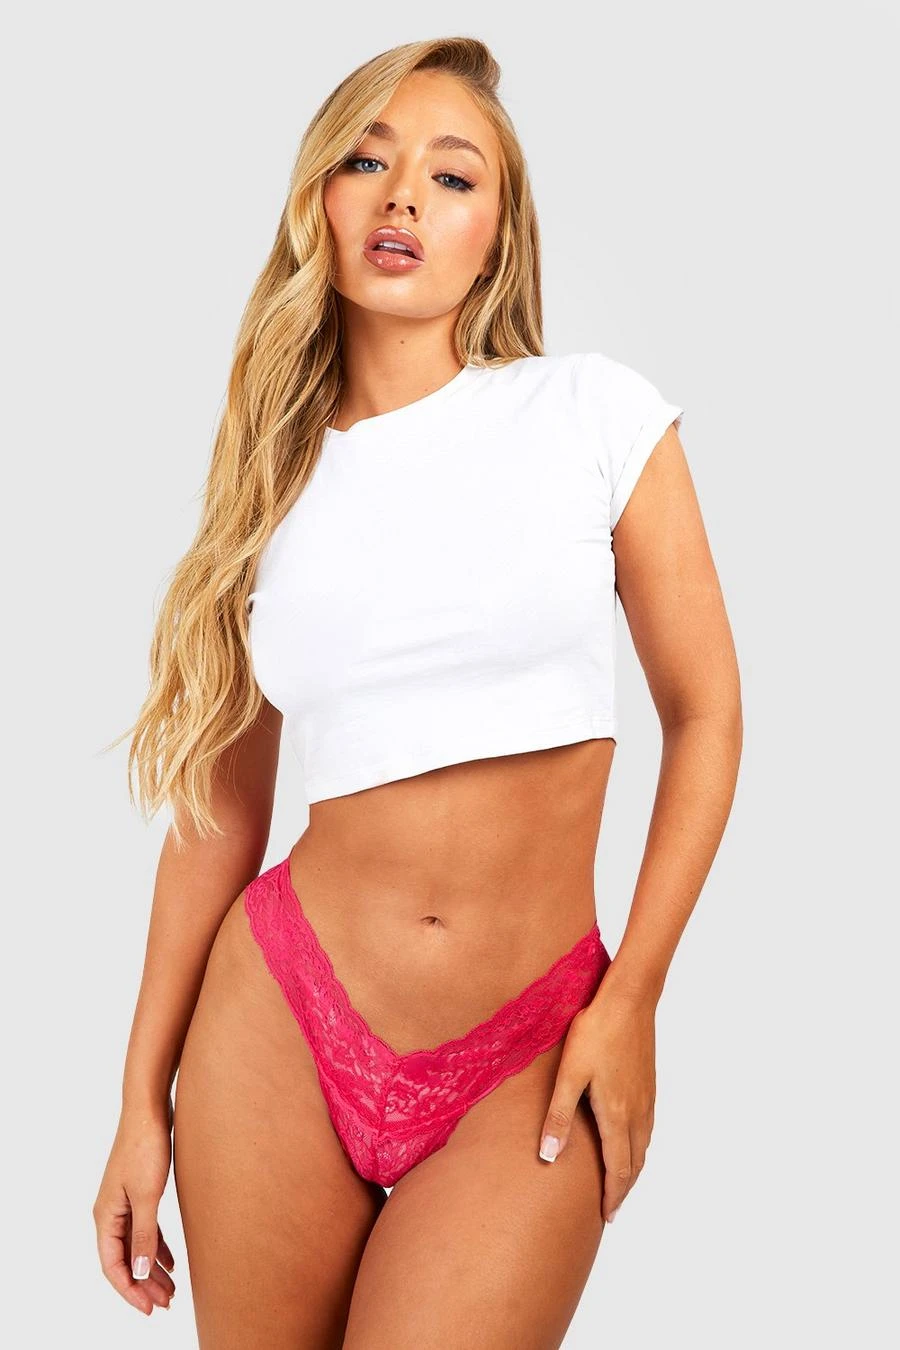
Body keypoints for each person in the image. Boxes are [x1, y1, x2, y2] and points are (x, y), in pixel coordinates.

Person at [92, 35, 742, 1348]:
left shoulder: (593, 418)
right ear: (319, 203)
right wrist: (136, 1104)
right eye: (366, 160)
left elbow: (706, 714)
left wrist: (635, 997)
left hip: (532, 1045)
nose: (402, 197)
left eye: (453, 177)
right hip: (282, 1022)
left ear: (498, 236)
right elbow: (220, 816)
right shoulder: (268, 493)